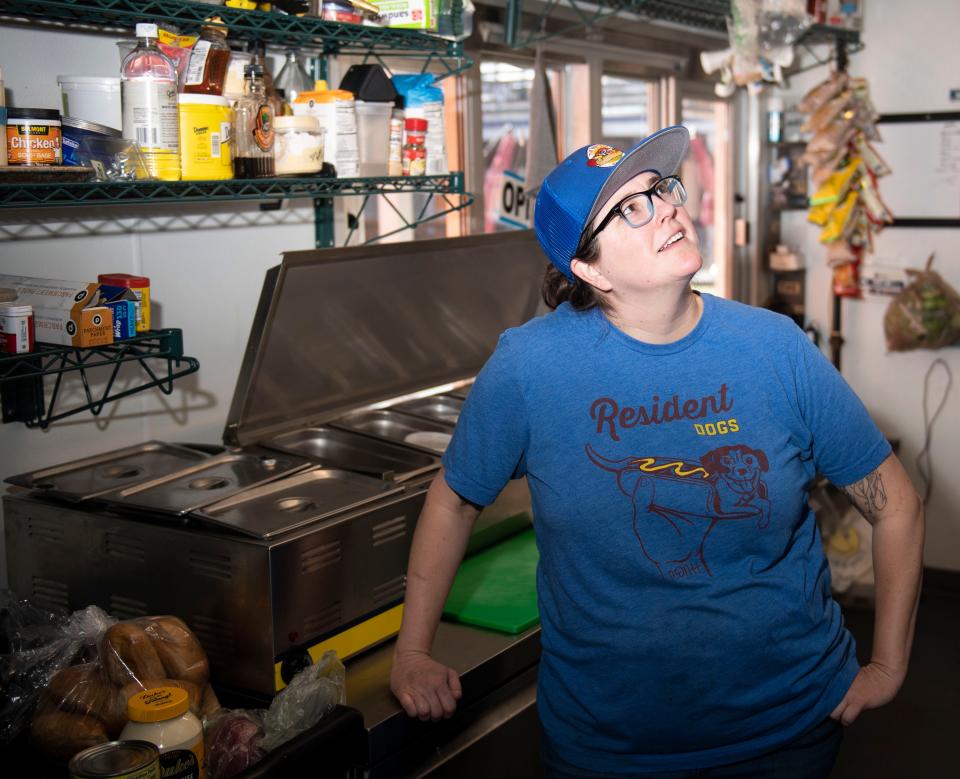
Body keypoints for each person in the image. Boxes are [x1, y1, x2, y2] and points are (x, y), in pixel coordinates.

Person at [389, 125, 924, 778]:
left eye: (662, 189)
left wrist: (889, 664)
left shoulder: (774, 348)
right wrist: (413, 650)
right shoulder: (530, 368)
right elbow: (452, 502)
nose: (669, 205)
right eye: (632, 207)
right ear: (587, 268)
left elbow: (895, 503)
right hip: (608, 748)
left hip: (787, 731)